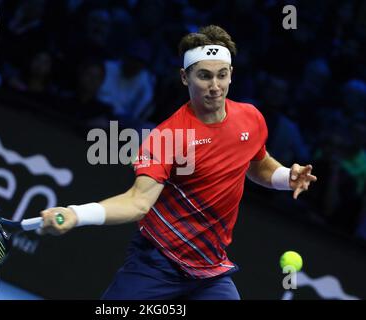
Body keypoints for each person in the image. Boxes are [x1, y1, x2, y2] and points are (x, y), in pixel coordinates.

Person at [38, 25, 317, 300]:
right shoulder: (168, 137)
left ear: (232, 74)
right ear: (185, 77)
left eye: (222, 75)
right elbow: (137, 202)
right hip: (157, 264)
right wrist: (76, 214)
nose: (215, 87)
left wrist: (284, 177)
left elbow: (257, 163)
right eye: (204, 76)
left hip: (210, 273)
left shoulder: (251, 118)